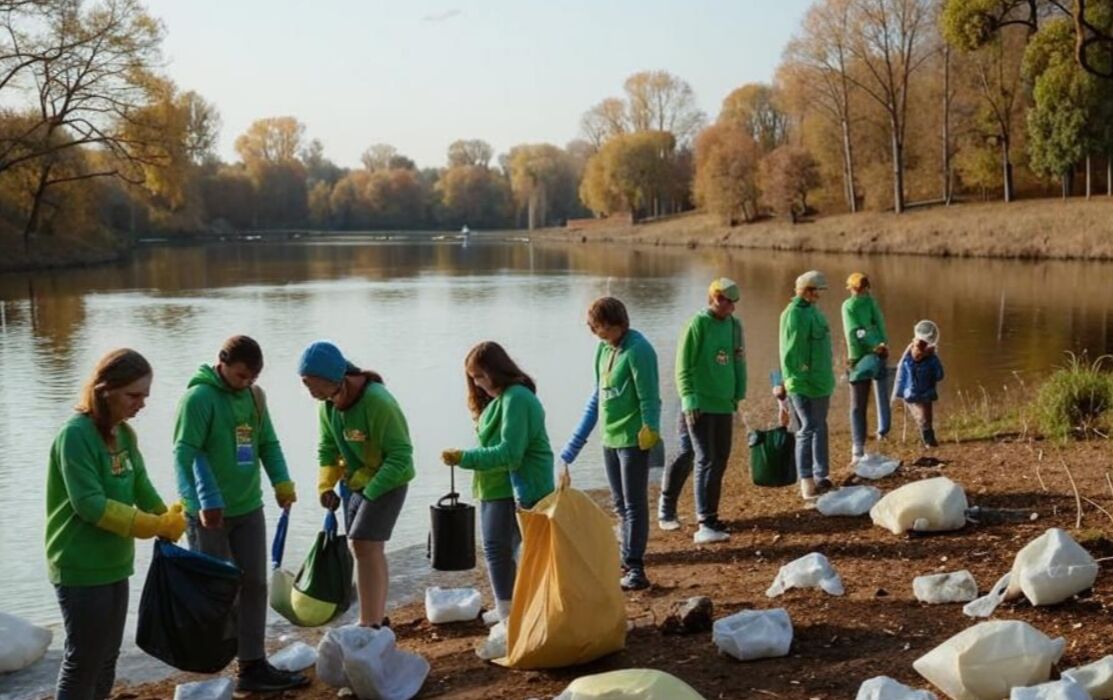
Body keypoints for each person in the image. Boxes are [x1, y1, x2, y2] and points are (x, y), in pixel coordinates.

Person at [46, 349, 186, 700]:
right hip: (79, 564)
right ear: (106, 390)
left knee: (108, 657)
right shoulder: (75, 436)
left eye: (145, 396)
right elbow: (89, 506)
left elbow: (140, 484)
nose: (141, 404)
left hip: (114, 563)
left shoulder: (125, 435)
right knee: (83, 660)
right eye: (133, 395)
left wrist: (166, 516)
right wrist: (151, 525)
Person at [172, 335, 306, 692]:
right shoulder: (199, 399)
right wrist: (201, 502)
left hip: (249, 507)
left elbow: (266, 443)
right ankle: (211, 672)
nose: (246, 383)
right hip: (209, 514)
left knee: (256, 586)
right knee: (217, 594)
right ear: (222, 363)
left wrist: (282, 482)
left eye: (253, 377)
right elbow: (185, 455)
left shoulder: (253, 397)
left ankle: (252, 666)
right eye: (241, 375)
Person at [300, 341, 414, 629]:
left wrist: (370, 494)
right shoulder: (327, 406)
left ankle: (369, 623)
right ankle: (377, 617)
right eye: (303, 382)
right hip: (355, 482)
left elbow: (401, 456)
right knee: (366, 549)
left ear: (331, 377)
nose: (307, 389)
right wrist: (325, 485)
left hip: (389, 478)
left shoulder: (377, 401)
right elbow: (327, 448)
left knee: (362, 544)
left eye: (310, 382)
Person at [440, 342, 556, 625]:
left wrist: (464, 457)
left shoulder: (516, 398)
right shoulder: (501, 399)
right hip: (495, 486)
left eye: (480, 376)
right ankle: (511, 606)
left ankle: (510, 613)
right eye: (473, 379)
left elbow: (510, 453)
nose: (477, 384)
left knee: (499, 550)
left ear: (496, 370)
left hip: (514, 487)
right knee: (503, 550)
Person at [560, 297, 661, 591]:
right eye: (593, 328)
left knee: (634, 504)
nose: (596, 333)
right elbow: (597, 399)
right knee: (619, 504)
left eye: (600, 327)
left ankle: (636, 568)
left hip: (633, 440)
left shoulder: (639, 350)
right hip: (610, 439)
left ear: (617, 323)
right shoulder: (603, 350)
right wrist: (574, 445)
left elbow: (649, 396)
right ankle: (626, 558)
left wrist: (650, 429)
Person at [658, 278, 746, 544]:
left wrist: (738, 393)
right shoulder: (698, 324)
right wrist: (689, 398)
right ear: (715, 298)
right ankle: (687, 513)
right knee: (698, 456)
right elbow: (683, 365)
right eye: (727, 301)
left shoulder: (734, 325)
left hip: (722, 401)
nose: (732, 307)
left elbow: (738, 360)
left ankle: (710, 515)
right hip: (698, 403)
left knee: (719, 456)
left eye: (734, 302)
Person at [779, 270, 836, 506]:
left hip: (822, 383)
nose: (819, 296)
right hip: (802, 385)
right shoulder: (792, 315)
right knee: (807, 428)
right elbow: (791, 354)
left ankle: (822, 475)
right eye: (817, 291)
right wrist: (795, 383)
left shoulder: (814, 311)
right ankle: (806, 482)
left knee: (820, 426)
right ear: (807, 290)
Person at [841, 272, 891, 463]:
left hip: (863, 357)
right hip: (879, 352)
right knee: (881, 396)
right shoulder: (871, 302)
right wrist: (882, 344)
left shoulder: (848, 306)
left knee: (857, 406)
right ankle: (882, 432)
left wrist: (856, 356)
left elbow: (854, 333)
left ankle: (858, 448)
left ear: (853, 288)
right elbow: (879, 325)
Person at [893, 320, 945, 447]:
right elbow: (939, 375)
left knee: (924, 416)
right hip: (918, 393)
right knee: (923, 416)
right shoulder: (915, 360)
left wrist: (900, 391)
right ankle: (928, 440)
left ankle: (928, 438)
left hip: (918, 393)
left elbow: (939, 375)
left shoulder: (914, 359)